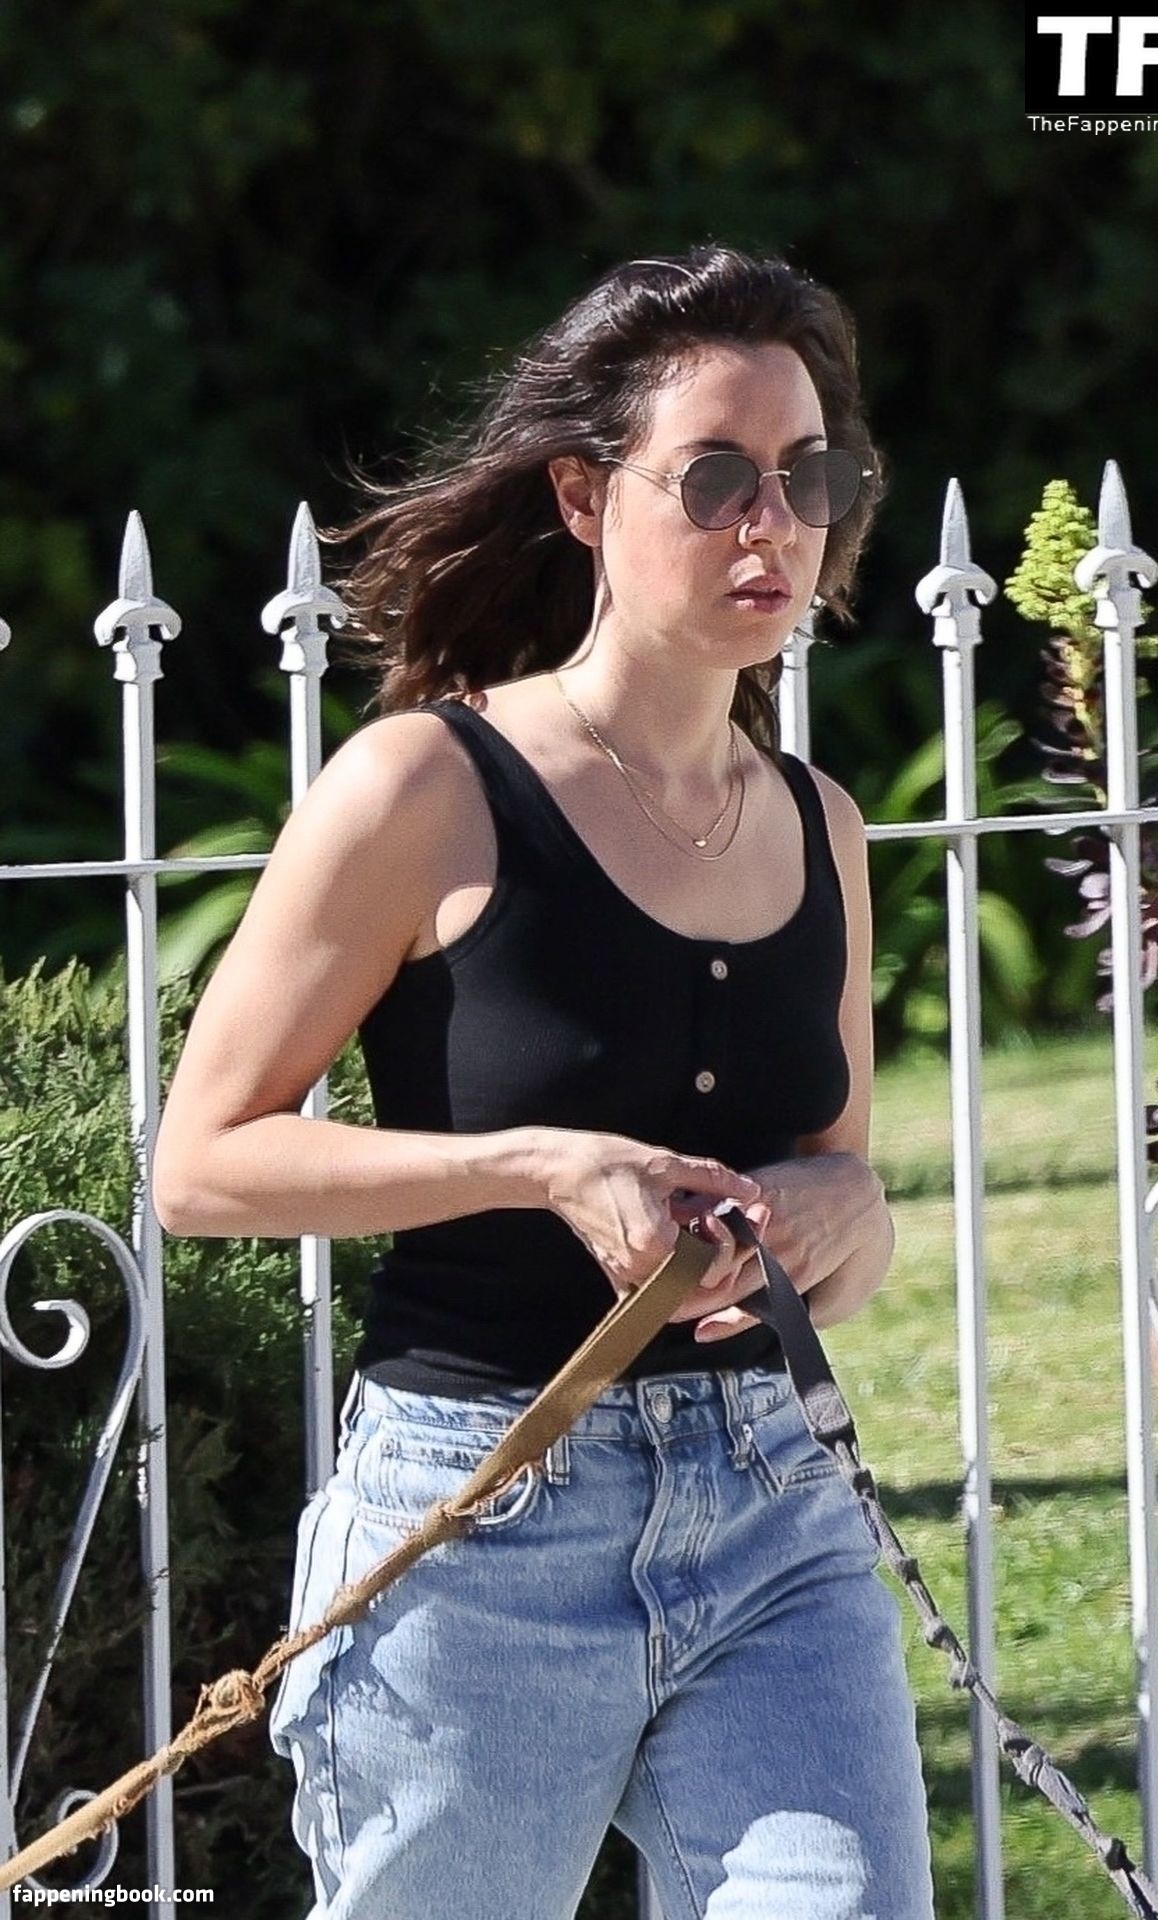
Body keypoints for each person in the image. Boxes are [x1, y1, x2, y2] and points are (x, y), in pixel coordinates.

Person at [152, 243, 934, 1920]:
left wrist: (842, 1215)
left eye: (810, 477)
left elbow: (843, 1195)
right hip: (485, 1513)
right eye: (714, 478)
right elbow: (201, 1166)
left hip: (775, 1516)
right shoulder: (425, 788)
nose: (772, 523)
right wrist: (539, 1164)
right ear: (584, 497)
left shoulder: (823, 827)